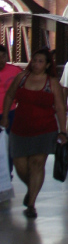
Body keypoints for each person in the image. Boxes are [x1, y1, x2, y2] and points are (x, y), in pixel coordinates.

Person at [1, 47, 68, 218]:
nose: (36, 64)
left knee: (37, 164)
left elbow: (60, 108)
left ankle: (31, 204)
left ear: (46, 65)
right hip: (20, 128)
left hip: (45, 129)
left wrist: (63, 131)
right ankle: (32, 190)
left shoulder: (52, 83)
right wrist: (5, 116)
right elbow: (9, 96)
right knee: (20, 165)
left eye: (40, 61)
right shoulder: (21, 78)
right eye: (34, 60)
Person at [0, 43, 22, 176]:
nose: (1, 60)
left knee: (8, 145)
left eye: (3, 57)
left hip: (10, 113)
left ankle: (7, 174)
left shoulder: (15, 71)